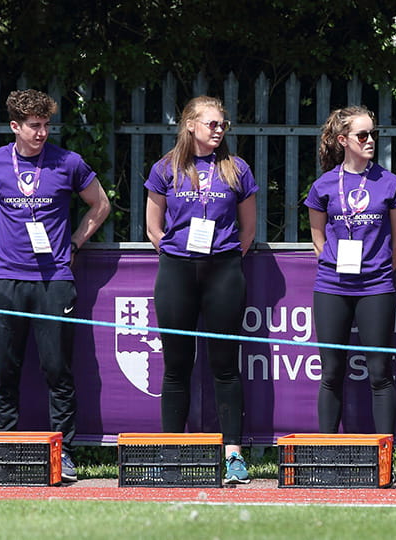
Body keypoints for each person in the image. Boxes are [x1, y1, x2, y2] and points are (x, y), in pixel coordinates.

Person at [0, 89, 111, 482]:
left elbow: (100, 205)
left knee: (57, 371)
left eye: (47, 125)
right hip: (6, 280)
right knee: (5, 372)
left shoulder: (69, 163)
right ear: (15, 126)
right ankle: (5, 451)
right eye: (34, 126)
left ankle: (62, 454)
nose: (42, 133)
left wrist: (77, 243)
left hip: (54, 281)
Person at [145, 96, 257, 483]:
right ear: (190, 124)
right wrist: (178, 256)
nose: (219, 129)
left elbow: (249, 230)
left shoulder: (237, 168)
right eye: (211, 123)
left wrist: (222, 257)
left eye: (222, 124)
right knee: (176, 366)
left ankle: (234, 457)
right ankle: (171, 454)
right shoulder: (166, 167)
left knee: (225, 366)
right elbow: (152, 227)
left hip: (224, 269)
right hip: (177, 270)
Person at [305, 106, 396, 434]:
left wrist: (375, 271)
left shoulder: (391, 183)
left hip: (375, 286)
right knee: (332, 372)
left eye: (373, 134)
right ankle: (326, 455)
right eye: (362, 135)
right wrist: (338, 266)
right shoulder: (323, 186)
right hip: (332, 285)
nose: (370, 141)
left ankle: (385, 456)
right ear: (343, 140)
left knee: (380, 370)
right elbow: (318, 239)